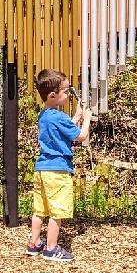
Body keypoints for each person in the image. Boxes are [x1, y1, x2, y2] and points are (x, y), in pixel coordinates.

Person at [26, 69, 91, 262]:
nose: (68, 95)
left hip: (42, 169)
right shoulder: (59, 117)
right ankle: (51, 248)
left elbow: (63, 130)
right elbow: (80, 136)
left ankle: (34, 243)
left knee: (40, 209)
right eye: (65, 92)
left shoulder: (45, 115)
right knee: (57, 211)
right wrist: (86, 119)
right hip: (58, 170)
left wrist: (77, 116)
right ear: (53, 95)